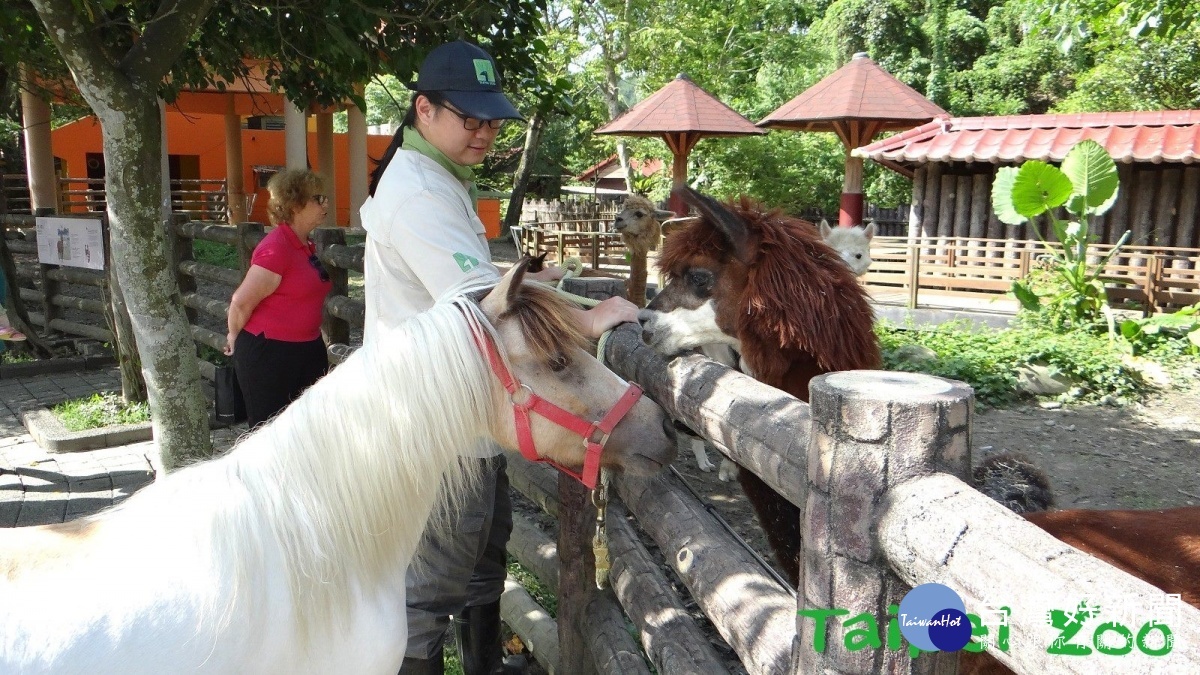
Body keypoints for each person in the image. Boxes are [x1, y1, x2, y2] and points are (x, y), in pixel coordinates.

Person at [360, 40, 639, 675]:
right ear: (424, 110)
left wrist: (545, 288)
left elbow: (490, 287)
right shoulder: (419, 194)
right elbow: (482, 307)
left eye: (492, 121)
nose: (485, 133)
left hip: (463, 416)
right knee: (429, 596)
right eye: (471, 119)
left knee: (482, 566)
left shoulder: (435, 178)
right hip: (435, 429)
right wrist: (585, 320)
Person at [225, 168, 333, 429]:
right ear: (295, 205)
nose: (325, 204)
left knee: (309, 432)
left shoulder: (302, 244)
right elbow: (241, 302)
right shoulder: (277, 248)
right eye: (318, 199)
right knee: (269, 436)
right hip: (270, 355)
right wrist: (233, 336)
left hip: (306, 350)